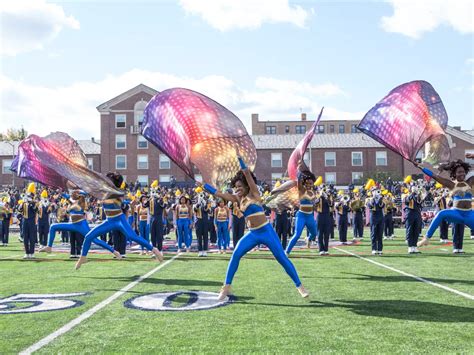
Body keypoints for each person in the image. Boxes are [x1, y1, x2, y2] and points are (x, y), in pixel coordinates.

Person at [200, 155, 309, 300]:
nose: (237, 189)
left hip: (266, 232)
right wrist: (203, 186)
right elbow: (218, 193)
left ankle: (300, 286)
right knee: (236, 254)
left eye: (240, 186)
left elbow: (246, 173)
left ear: (246, 186)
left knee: (281, 258)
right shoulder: (237, 199)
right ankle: (226, 287)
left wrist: (239, 159)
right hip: (252, 234)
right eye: (235, 187)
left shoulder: (254, 194)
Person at [75, 172, 163, 269]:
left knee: (132, 236)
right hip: (109, 221)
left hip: (119, 220)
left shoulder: (117, 193)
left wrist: (126, 202)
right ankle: (83, 257)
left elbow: (120, 202)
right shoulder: (103, 192)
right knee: (88, 236)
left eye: (107, 180)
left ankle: (154, 250)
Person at [417, 158, 474, 247]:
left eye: (463, 172)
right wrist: (421, 167)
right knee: (441, 213)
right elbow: (434, 176)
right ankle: (426, 238)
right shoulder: (451, 184)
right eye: (459, 172)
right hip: (457, 213)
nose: (462, 173)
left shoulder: (470, 182)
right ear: (454, 174)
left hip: (469, 215)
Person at [285, 161, 318, 255]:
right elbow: (299, 181)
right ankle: (287, 252)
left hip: (310, 216)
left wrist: (316, 204)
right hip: (301, 215)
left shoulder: (313, 193)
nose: (309, 185)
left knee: (314, 234)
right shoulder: (302, 190)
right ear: (305, 183)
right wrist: (299, 170)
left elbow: (314, 207)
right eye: (307, 183)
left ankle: (308, 239)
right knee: (297, 234)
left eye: (311, 184)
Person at [367, 188, 385, 255]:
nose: (377, 192)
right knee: (374, 233)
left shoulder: (381, 199)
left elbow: (382, 206)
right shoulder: (369, 199)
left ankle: (380, 249)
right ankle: (374, 249)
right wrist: (374, 199)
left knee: (380, 233)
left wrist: (380, 200)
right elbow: (370, 206)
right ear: (372, 192)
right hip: (374, 217)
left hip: (380, 217)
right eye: (374, 191)